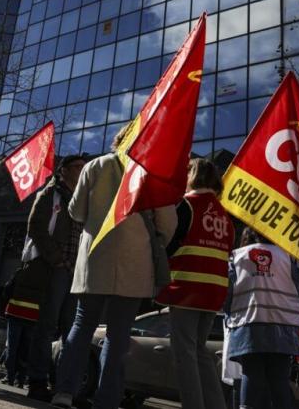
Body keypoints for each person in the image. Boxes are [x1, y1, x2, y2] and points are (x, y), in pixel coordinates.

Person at [51, 131, 176, 409]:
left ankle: (64, 390)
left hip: (95, 257)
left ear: (116, 142)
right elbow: (168, 222)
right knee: (118, 336)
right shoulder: (151, 173)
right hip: (135, 261)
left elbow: (76, 211)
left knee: (82, 325)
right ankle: (106, 400)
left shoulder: (95, 166)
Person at [154, 158, 233, 409]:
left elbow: (168, 243)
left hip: (187, 288)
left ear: (193, 175)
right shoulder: (225, 215)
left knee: (184, 354)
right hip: (214, 294)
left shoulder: (187, 206)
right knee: (200, 352)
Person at [24, 154, 86, 401]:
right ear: (65, 170)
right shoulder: (51, 193)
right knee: (47, 325)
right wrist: (56, 257)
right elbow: (36, 226)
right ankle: (37, 381)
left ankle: (60, 384)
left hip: (75, 271)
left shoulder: (82, 197)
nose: (82, 171)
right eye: (78, 167)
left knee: (69, 329)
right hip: (56, 268)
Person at [224, 227, 299, 409]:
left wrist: (230, 315)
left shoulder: (235, 257)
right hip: (284, 328)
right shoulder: (288, 257)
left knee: (251, 376)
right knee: (279, 382)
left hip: (248, 326)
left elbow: (227, 293)